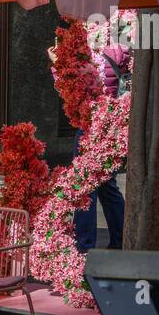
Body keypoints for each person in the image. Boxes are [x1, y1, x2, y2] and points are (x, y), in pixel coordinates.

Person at [49, 44, 126, 252]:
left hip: (89, 124)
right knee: (108, 185)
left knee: (85, 188)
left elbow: (69, 89)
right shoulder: (118, 50)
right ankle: (120, 239)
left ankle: (84, 245)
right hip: (110, 124)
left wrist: (56, 63)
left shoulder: (83, 53)